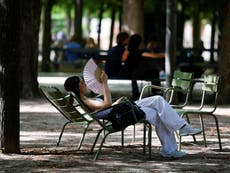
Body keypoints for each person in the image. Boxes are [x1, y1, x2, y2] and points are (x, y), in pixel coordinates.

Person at [64, 71, 202, 159]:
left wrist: (115, 102)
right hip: (125, 114)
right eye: (82, 82)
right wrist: (105, 82)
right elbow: (106, 105)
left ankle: (172, 145)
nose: (84, 83)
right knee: (158, 109)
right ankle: (177, 137)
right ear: (78, 87)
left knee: (158, 105)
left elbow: (106, 106)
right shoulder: (86, 100)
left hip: (122, 110)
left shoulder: (85, 99)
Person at [122, 34, 165, 100]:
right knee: (154, 73)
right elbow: (153, 56)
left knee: (151, 72)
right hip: (136, 74)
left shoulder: (127, 51)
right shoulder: (139, 52)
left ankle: (140, 93)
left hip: (127, 72)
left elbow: (123, 59)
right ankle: (156, 91)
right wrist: (163, 55)